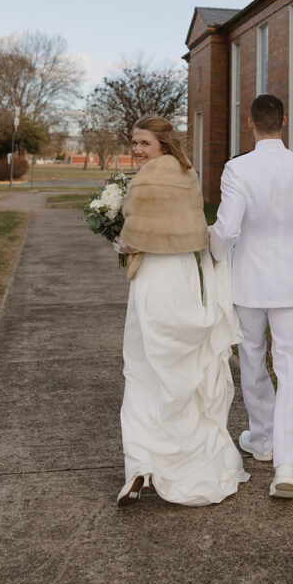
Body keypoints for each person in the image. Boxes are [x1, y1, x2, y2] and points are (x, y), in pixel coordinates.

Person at [115, 114, 249, 507]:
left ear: (162, 145)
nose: (137, 150)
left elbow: (134, 239)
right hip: (184, 276)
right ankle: (158, 463)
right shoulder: (188, 175)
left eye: (144, 143)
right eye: (135, 143)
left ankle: (141, 463)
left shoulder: (145, 180)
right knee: (181, 369)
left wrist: (117, 240)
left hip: (155, 279)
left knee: (142, 368)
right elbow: (194, 231)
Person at [209, 94, 293, 500]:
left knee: (253, 360)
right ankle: (285, 464)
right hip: (292, 280)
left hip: (248, 281)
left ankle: (262, 441)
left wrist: (211, 260)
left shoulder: (237, 168)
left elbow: (225, 232)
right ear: (284, 122)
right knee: (291, 365)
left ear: (250, 124)